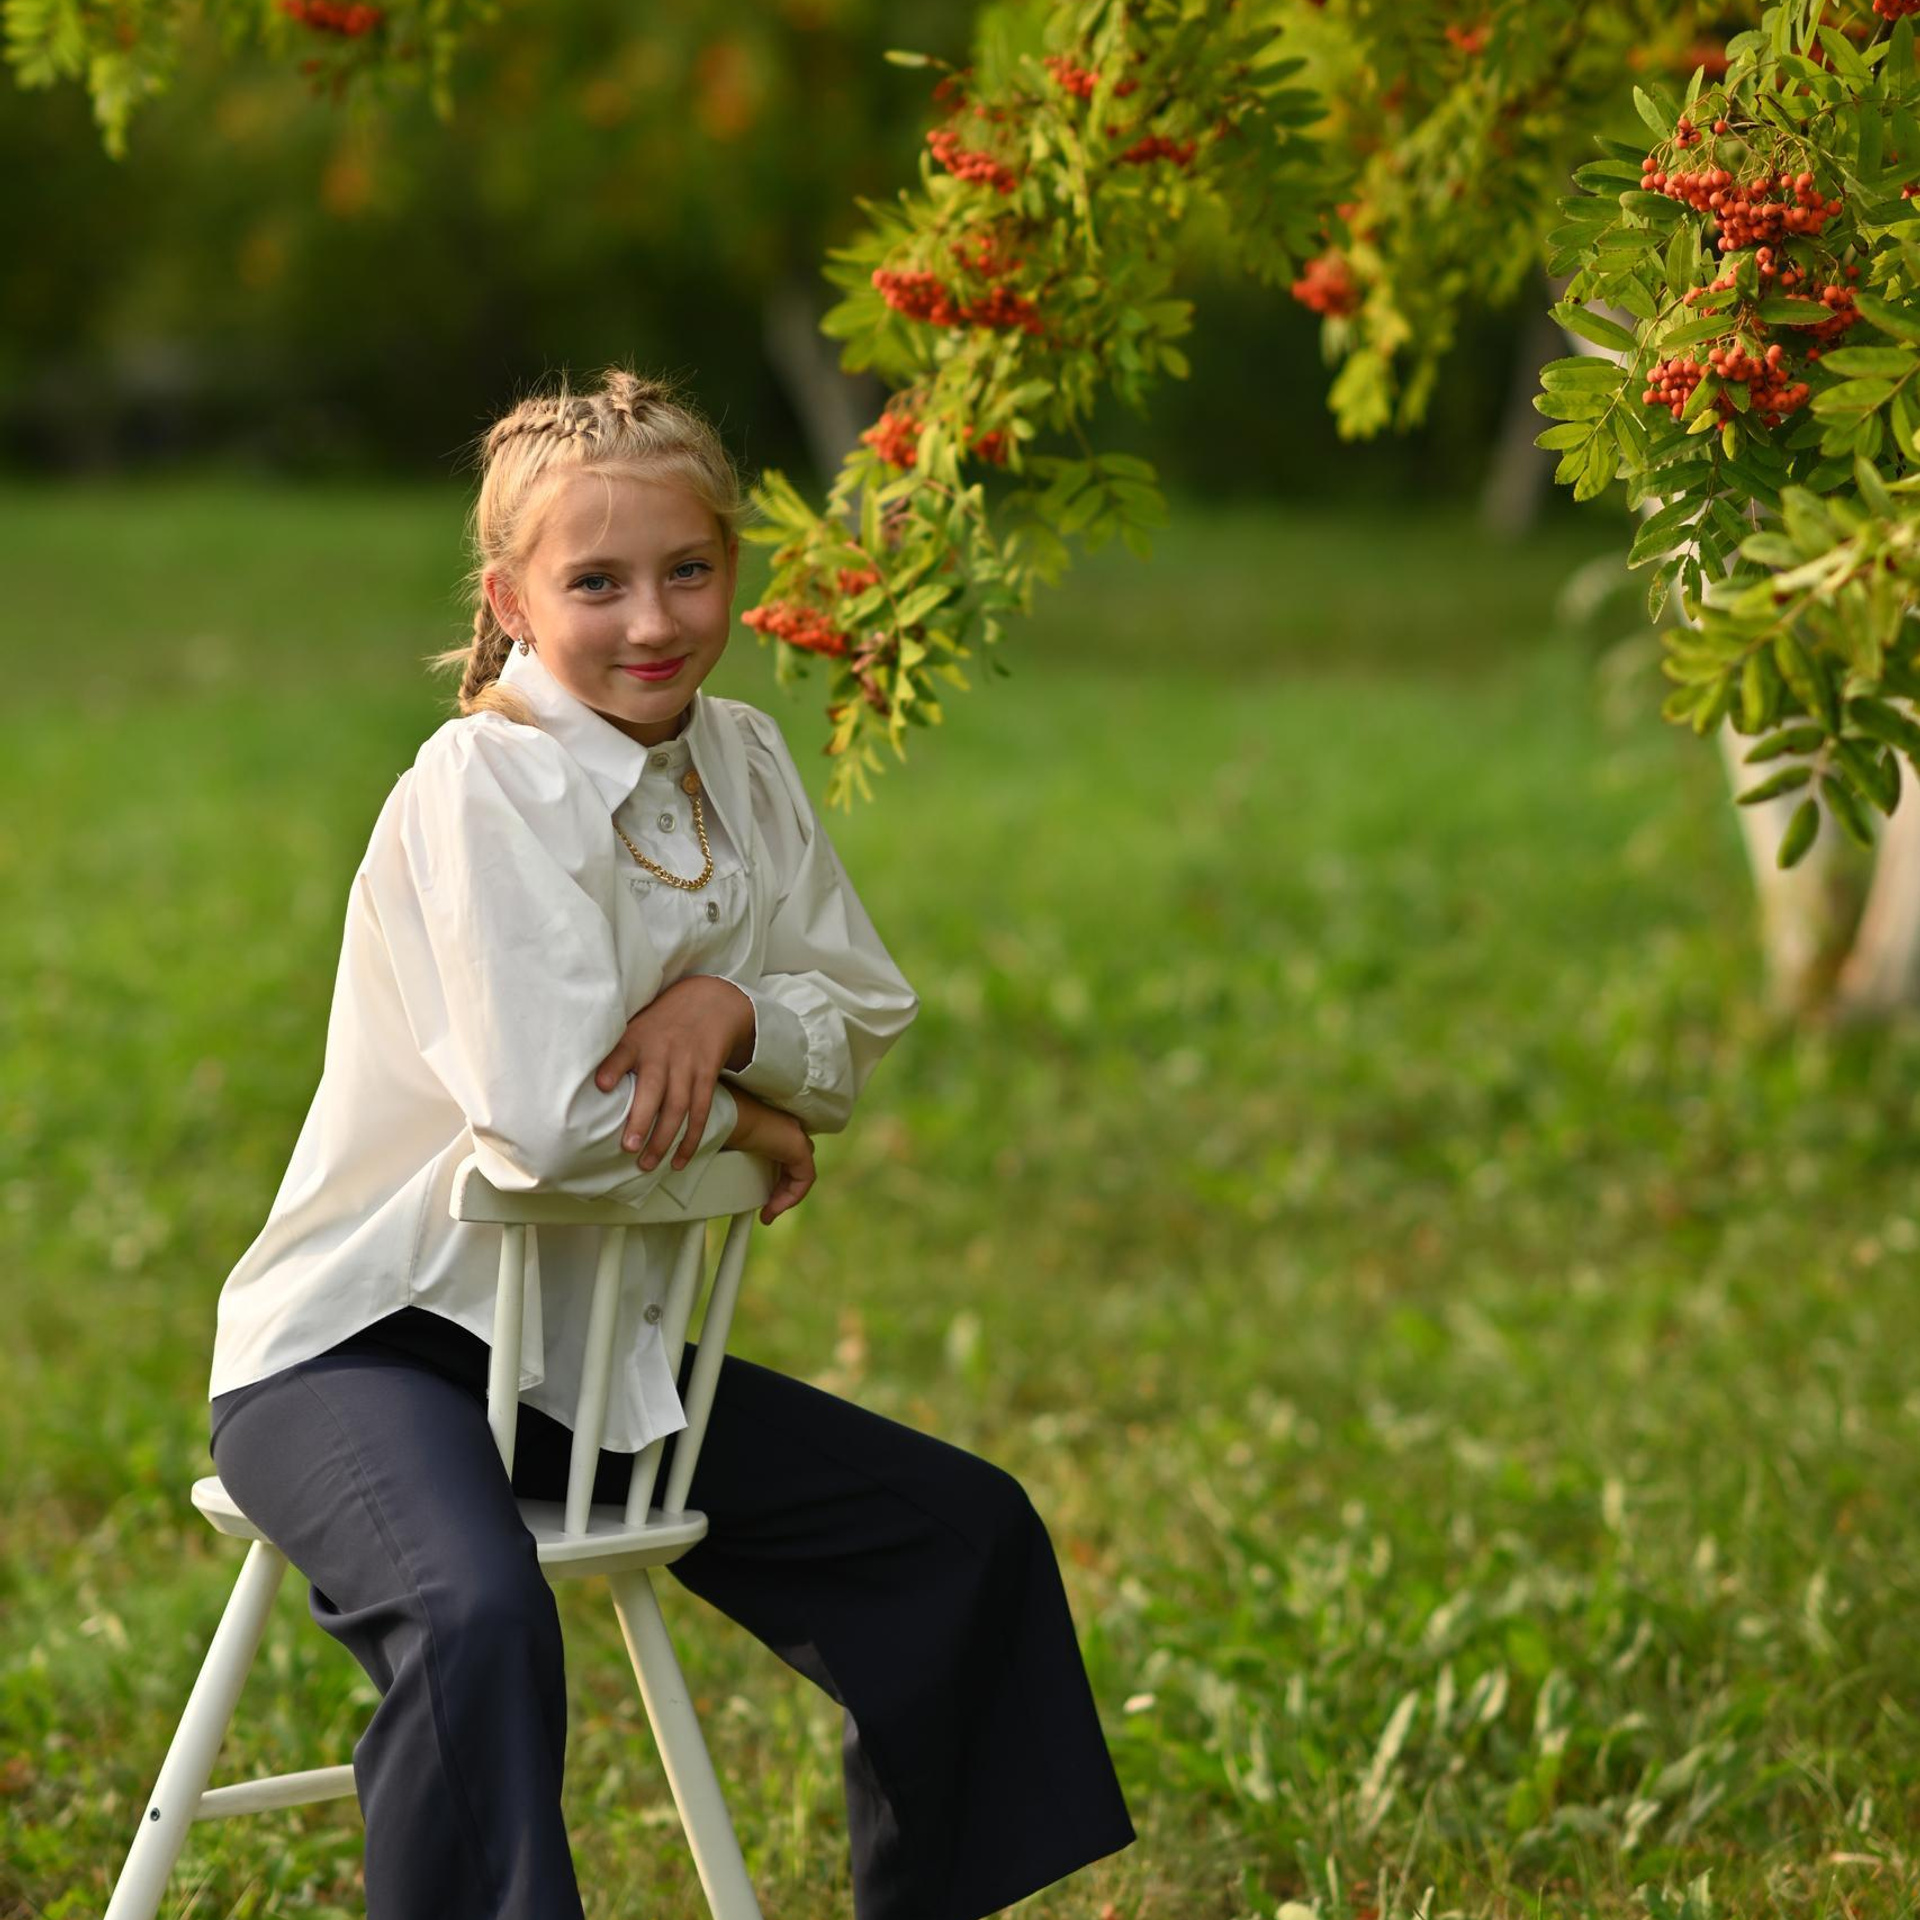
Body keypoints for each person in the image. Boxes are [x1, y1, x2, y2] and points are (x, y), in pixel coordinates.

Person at [203, 366, 1137, 1919]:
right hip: (366, 1350)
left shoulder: (744, 765)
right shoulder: (485, 786)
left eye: (688, 571)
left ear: (734, 569)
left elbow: (862, 1009)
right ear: (508, 599)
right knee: (476, 1614)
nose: (653, 622)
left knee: (960, 1542)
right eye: (596, 583)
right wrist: (758, 1109)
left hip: (579, 1358)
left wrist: (728, 1012)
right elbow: (551, 1127)